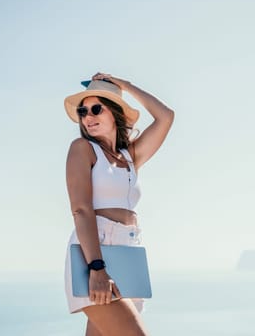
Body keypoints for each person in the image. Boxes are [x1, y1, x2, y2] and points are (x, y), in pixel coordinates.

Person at [63, 72, 174, 336]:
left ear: (115, 112)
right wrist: (97, 267)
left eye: (96, 108)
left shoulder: (130, 157)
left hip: (128, 255)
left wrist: (124, 86)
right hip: (96, 254)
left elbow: (166, 117)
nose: (88, 117)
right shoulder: (83, 148)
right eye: (83, 111)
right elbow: (81, 209)